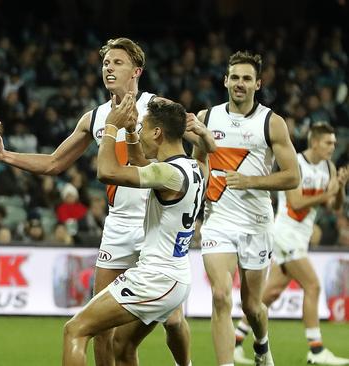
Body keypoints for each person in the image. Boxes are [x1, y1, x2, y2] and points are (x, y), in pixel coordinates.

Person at [0, 37, 214, 366]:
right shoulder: (94, 118)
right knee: (101, 329)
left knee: (172, 319)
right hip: (120, 224)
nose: (109, 68)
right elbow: (54, 163)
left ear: (136, 71)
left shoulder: (157, 110)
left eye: (118, 62)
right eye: (105, 63)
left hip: (155, 223)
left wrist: (205, 136)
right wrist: (3, 154)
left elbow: (197, 146)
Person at [62, 96, 208, 366]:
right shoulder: (195, 168)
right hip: (175, 277)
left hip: (155, 279)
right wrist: (130, 130)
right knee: (124, 346)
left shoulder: (168, 174)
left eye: (142, 128)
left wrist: (111, 127)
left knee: (75, 330)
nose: (139, 133)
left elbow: (106, 172)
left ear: (157, 133)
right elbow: (141, 161)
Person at [198, 51, 300, 366]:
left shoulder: (272, 123)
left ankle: (261, 345)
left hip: (256, 224)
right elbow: (198, 159)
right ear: (225, 80)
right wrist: (205, 189)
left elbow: (293, 176)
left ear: (258, 83)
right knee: (219, 296)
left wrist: (251, 180)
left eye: (246, 79)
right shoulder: (206, 118)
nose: (239, 84)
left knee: (252, 306)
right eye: (235, 78)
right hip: (218, 222)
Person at [234, 122, 349, 365]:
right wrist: (328, 193)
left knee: (270, 293)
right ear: (315, 142)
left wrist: (339, 188)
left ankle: (235, 341)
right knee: (313, 286)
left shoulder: (328, 167)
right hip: (286, 234)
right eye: (329, 143)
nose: (333, 147)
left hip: (300, 237)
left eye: (334, 144)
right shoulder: (296, 163)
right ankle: (316, 351)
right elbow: (295, 203)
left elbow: (335, 207)